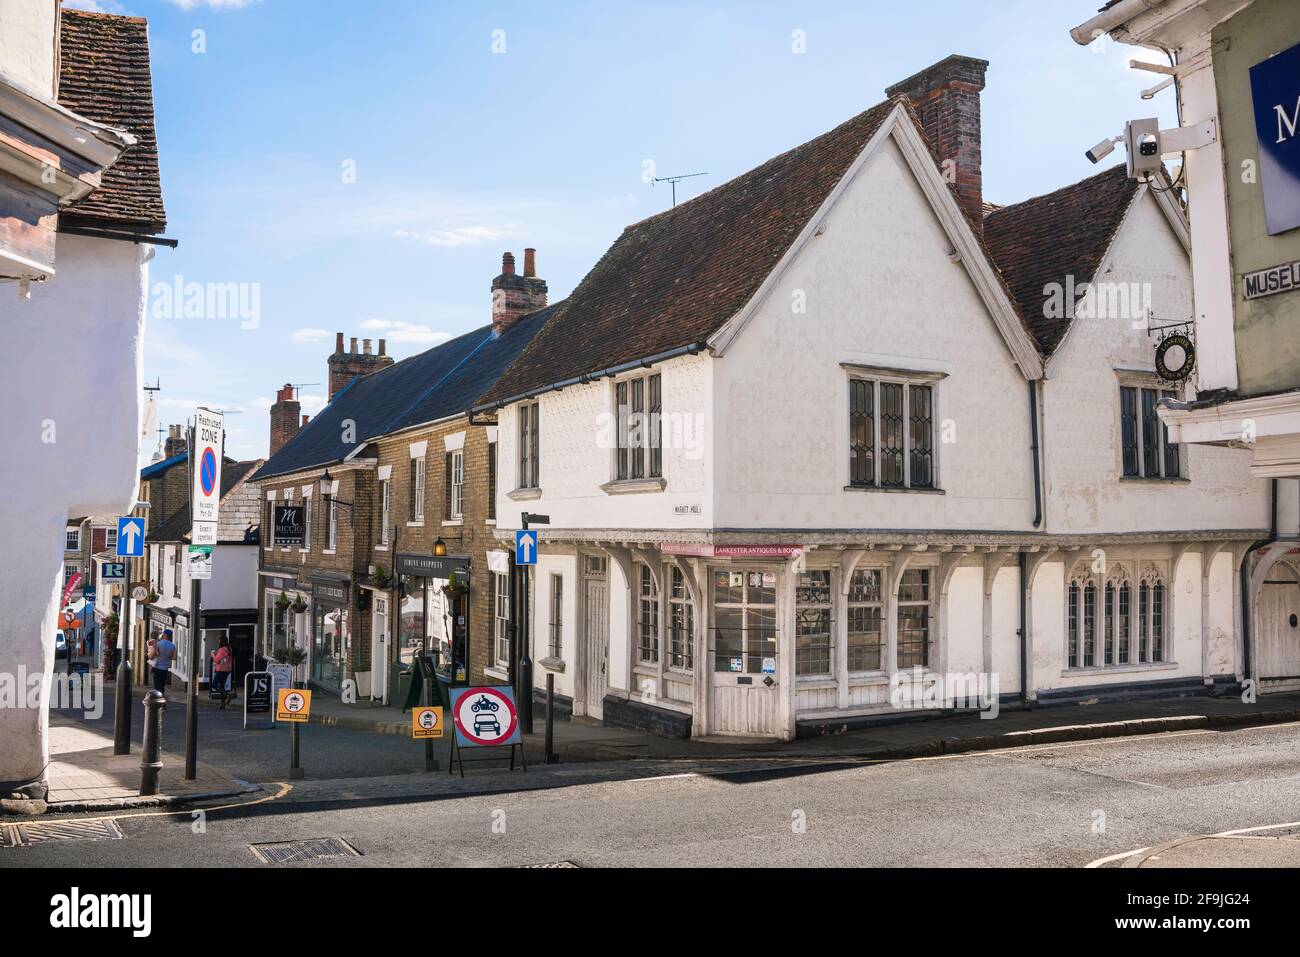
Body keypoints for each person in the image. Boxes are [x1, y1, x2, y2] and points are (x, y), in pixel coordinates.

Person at [211, 635, 234, 710]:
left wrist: (213, 655)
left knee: (214, 685)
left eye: (219, 640)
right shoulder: (229, 649)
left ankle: (227, 695)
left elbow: (217, 660)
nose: (218, 641)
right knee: (221, 686)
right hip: (227, 670)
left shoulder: (222, 650)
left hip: (221, 669)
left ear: (221, 641)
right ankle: (222, 704)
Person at [152, 628, 176, 695]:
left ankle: (157, 701)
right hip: (165, 669)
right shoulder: (172, 646)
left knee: (157, 687)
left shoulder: (158, 644)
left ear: (165, 635)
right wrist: (167, 657)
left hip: (157, 668)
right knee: (162, 687)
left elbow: (152, 655)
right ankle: (162, 700)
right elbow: (174, 657)